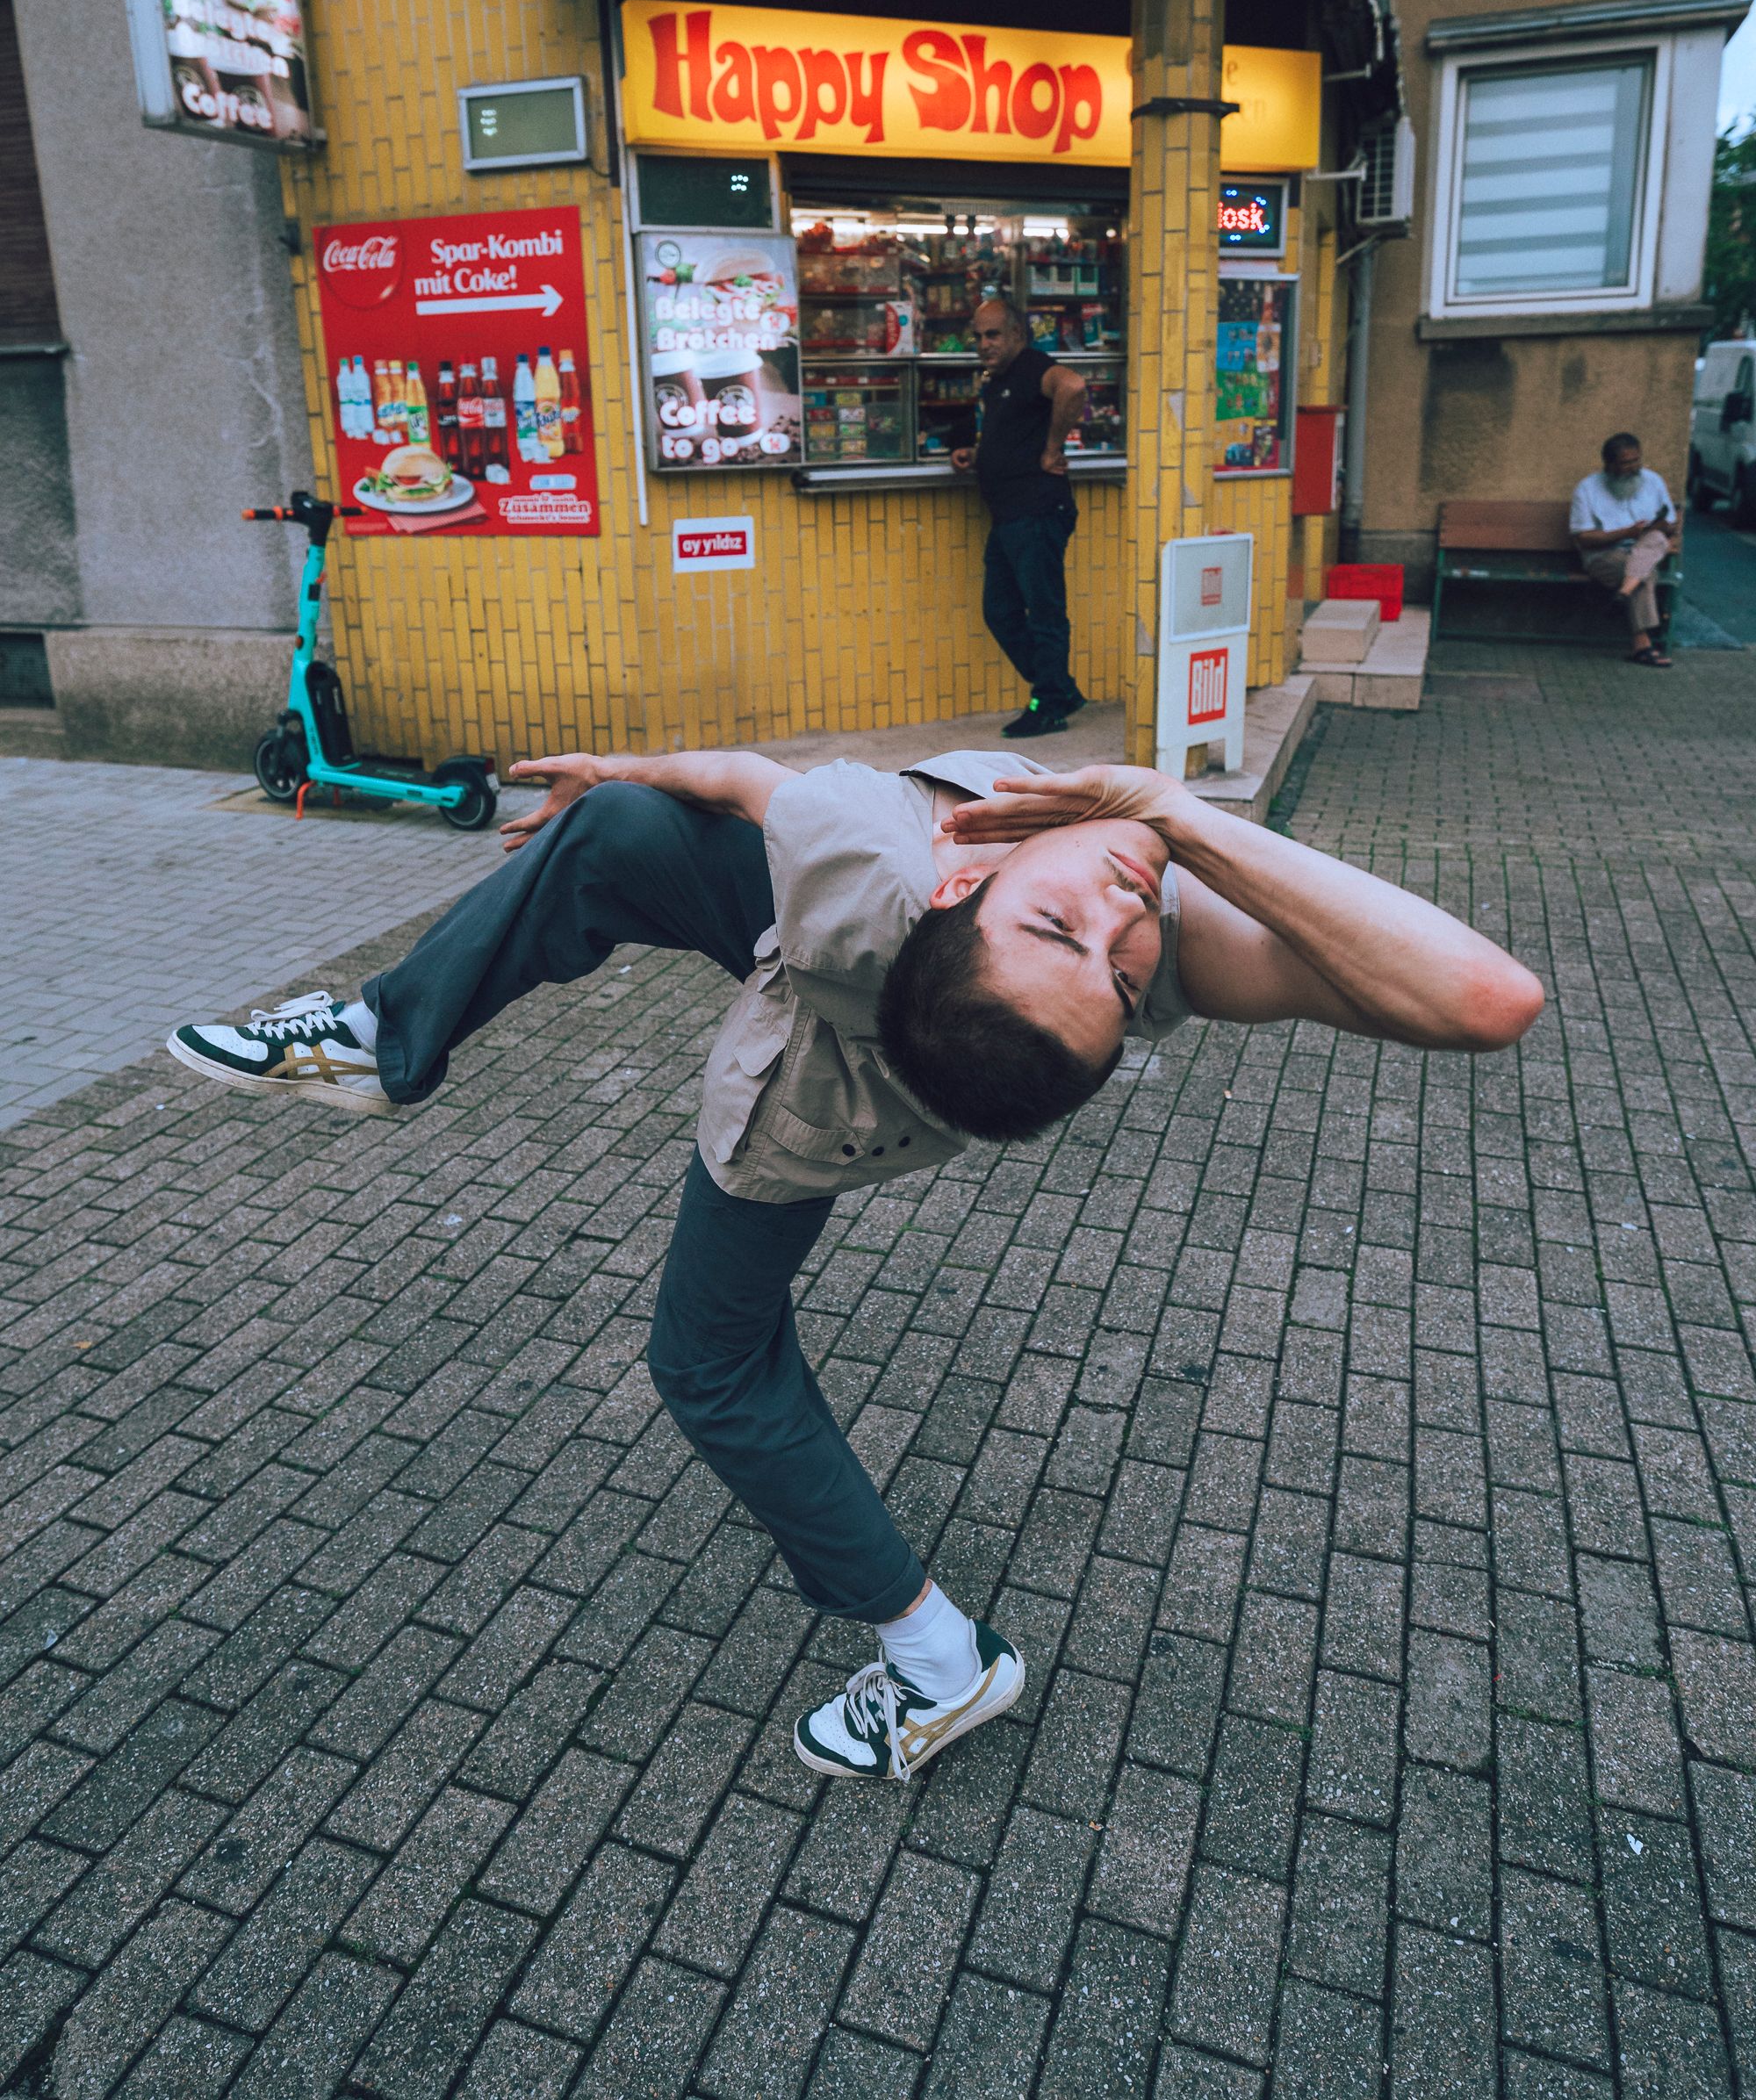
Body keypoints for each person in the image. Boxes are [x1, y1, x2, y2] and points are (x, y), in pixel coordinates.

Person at [167, 746, 1544, 1785]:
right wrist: (615, 787)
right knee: (620, 826)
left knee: (705, 1363)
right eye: (1086, 941)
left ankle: (939, 1665)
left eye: (1120, 973)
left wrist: (1184, 823)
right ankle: (375, 1036)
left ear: (962, 883)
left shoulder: (902, 865)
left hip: (821, 1090)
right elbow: (718, 797)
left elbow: (1489, 1001)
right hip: (879, 993)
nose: (1126, 923)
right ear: (971, 882)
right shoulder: (1048, 913)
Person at [950, 288, 1090, 737]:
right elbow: (1011, 434)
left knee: (1044, 612)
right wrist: (977, 454)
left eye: (993, 335)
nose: (984, 344)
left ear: (1015, 335)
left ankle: (1049, 704)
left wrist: (1052, 450)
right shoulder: (999, 380)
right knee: (1000, 611)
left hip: (1037, 512)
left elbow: (1073, 386)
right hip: (1011, 516)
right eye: (978, 336)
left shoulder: (1032, 366)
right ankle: (1059, 688)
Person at [1569, 431, 1680, 666]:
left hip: (1645, 547)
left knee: (1657, 539)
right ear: (1609, 464)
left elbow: (1670, 524)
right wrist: (1626, 533)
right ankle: (1642, 644)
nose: (1634, 467)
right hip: (1605, 556)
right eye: (1626, 462)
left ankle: (1626, 595)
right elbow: (1584, 539)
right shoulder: (1587, 489)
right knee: (1644, 572)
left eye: (1636, 460)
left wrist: (1659, 526)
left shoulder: (1653, 481)